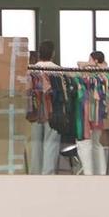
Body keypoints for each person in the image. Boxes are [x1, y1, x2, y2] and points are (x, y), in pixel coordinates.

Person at [31, 40, 70, 174]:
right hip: (53, 111)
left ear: (39, 53)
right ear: (53, 53)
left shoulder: (32, 69)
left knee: (36, 143)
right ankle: (47, 174)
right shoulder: (57, 70)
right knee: (50, 142)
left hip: (35, 110)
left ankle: (35, 173)